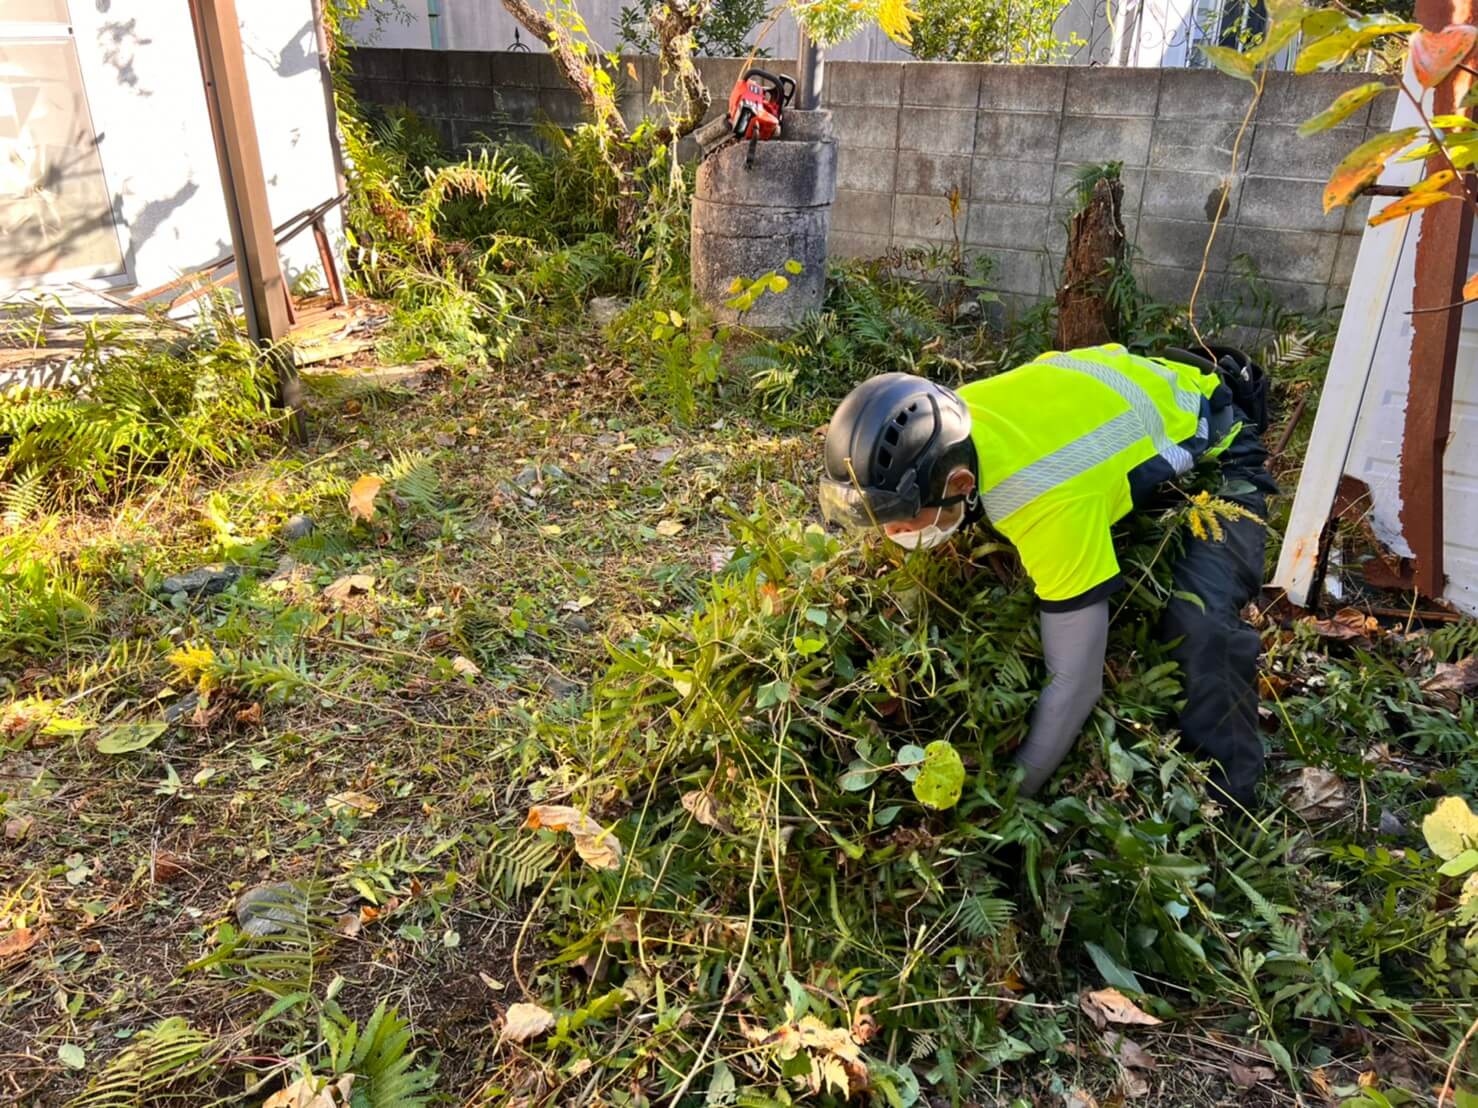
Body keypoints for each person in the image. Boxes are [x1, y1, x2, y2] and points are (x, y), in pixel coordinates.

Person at [817, 342, 1275, 807]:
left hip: (1216, 447)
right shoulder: (953, 425)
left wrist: (1011, 797)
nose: (892, 533)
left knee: (1200, 627)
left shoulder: (1044, 499)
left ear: (959, 485)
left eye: (901, 520)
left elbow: (1076, 684)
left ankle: (1233, 797)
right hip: (1127, 398)